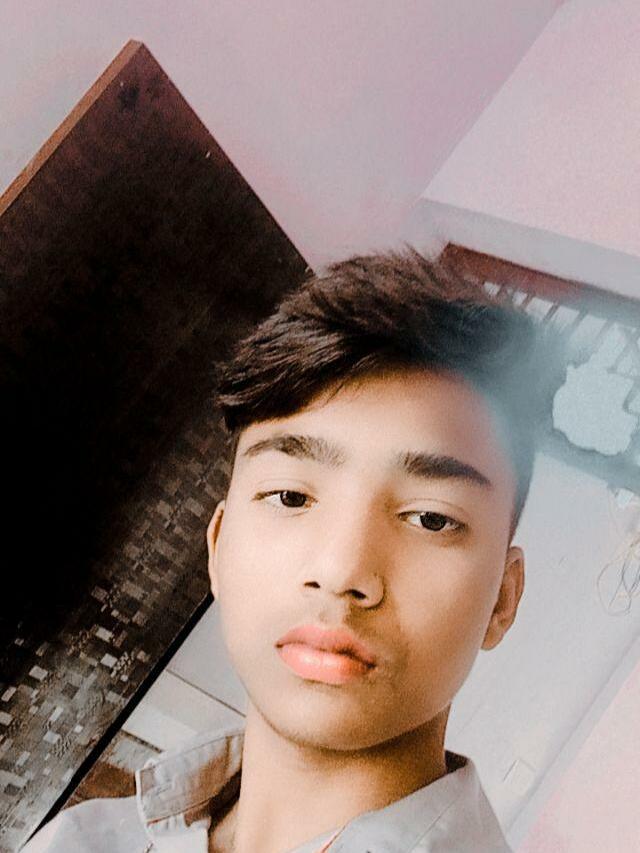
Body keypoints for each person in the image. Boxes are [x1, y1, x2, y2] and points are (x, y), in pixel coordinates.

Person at [23, 248, 553, 852]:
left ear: (502, 599)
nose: (341, 571)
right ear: (218, 547)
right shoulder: (80, 840)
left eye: (430, 518)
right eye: (291, 497)